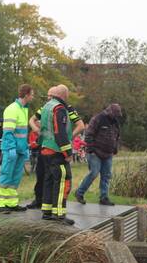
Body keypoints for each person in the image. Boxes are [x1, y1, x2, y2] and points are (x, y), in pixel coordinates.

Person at [25, 88, 84, 209]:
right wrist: (37, 130)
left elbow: (80, 125)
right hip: (47, 146)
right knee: (43, 175)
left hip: (56, 146)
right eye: (47, 95)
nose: (48, 98)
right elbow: (32, 120)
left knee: (54, 179)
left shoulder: (66, 108)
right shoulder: (47, 107)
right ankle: (42, 202)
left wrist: (69, 138)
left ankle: (50, 207)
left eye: (50, 95)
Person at [0, 84, 34, 212]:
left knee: (15, 177)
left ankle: (11, 202)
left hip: (20, 149)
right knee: (6, 174)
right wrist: (11, 148)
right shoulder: (12, 109)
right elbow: (8, 131)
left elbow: (22, 132)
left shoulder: (23, 109)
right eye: (32, 94)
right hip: (12, 149)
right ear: (26, 95)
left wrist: (25, 148)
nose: (33, 97)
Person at [39, 84, 75, 225]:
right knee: (62, 181)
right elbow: (60, 132)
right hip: (56, 151)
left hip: (45, 149)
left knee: (49, 181)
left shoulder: (47, 106)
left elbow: (42, 128)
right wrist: (68, 152)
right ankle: (59, 214)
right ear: (64, 95)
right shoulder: (59, 108)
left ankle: (47, 211)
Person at [75, 103, 122, 206]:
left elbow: (117, 136)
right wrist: (91, 149)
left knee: (106, 176)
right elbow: (89, 134)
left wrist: (115, 149)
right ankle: (79, 193)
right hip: (95, 152)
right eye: (116, 114)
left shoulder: (115, 122)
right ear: (110, 112)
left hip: (108, 153)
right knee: (94, 173)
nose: (117, 116)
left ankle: (104, 198)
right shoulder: (98, 119)